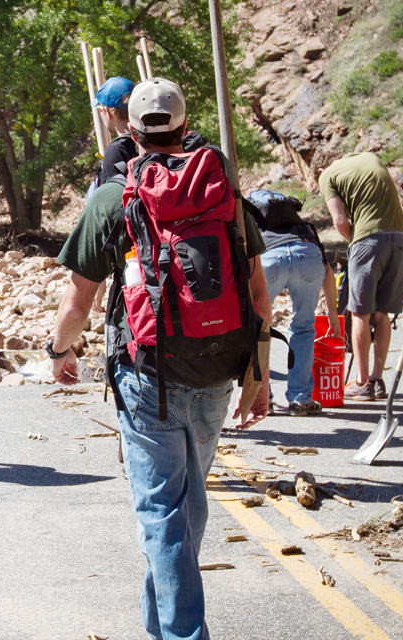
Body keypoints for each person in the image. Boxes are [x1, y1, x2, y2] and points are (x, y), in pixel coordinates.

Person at [49, 78, 272, 640]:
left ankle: (182, 634)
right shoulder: (220, 186)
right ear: (182, 121)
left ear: (129, 125)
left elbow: (79, 301)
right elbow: (258, 294)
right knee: (188, 503)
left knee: (162, 513)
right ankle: (159, 626)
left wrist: (59, 350)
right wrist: (259, 374)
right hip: (219, 365)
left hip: (148, 373)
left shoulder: (111, 197)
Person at [319, 152, 403, 401]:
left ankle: (361, 381)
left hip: (368, 240)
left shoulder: (327, 175)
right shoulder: (370, 158)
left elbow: (339, 220)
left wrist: (356, 243)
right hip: (399, 237)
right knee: (382, 313)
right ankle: (377, 380)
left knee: (360, 311)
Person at [249, 190, 341, 416]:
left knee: (257, 330)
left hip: (270, 259)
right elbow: (328, 272)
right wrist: (332, 314)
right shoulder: (305, 229)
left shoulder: (255, 228)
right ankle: (300, 400)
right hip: (307, 256)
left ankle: (263, 398)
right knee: (303, 328)